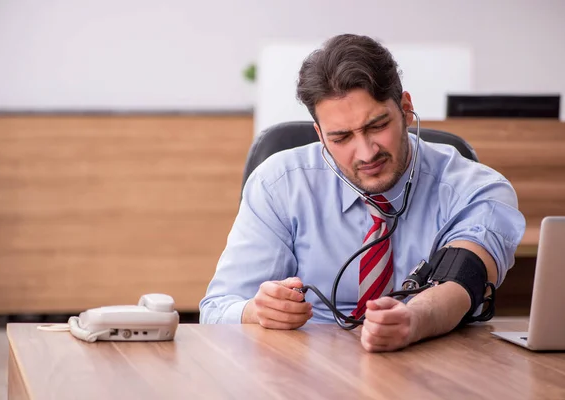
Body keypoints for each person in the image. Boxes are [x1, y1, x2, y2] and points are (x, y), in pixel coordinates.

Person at [199, 34, 525, 352]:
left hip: (429, 358)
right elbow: (215, 311)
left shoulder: (476, 189)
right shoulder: (278, 184)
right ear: (320, 134)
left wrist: (412, 320)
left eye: (377, 126)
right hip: (308, 370)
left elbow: (462, 278)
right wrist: (258, 312)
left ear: (406, 109)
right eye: (341, 138)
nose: (366, 153)